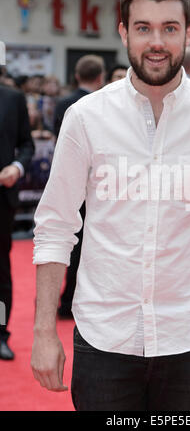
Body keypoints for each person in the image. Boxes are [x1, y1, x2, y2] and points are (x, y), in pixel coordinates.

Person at [31, 0, 190, 412]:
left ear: (188, 33)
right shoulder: (85, 117)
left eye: (170, 28)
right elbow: (55, 227)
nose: (157, 42)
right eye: (143, 28)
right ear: (123, 32)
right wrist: (43, 332)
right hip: (103, 337)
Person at [54, 54, 106, 319]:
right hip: (98, 186)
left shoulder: (63, 103)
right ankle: (76, 298)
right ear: (100, 77)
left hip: (69, 182)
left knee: (67, 242)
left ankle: (65, 300)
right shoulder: (99, 106)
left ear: (76, 75)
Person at [0, 72, 35, 359]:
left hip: (1, 197)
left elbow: (27, 145)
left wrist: (17, 167)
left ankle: (0, 333)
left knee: (0, 271)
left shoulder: (12, 99)